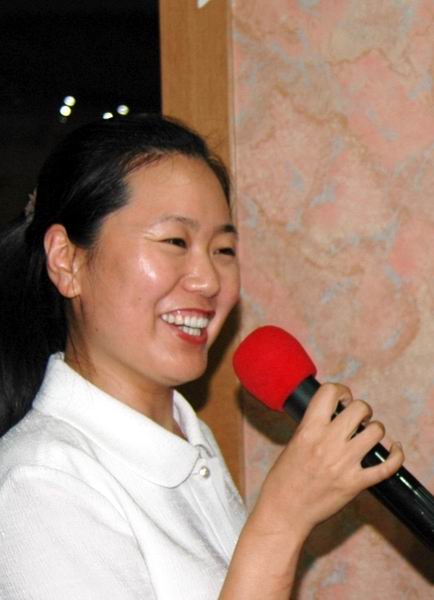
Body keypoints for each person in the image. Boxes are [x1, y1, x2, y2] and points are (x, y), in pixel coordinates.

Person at [0, 114, 404, 599]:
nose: (209, 280)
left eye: (223, 249)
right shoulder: (41, 482)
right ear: (67, 261)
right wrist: (281, 521)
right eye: (175, 241)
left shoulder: (192, 440)